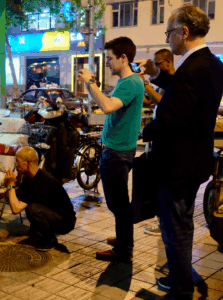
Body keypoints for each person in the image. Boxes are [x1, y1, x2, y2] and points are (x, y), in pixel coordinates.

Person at [138, 5, 223, 300]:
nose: (169, 38)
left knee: (175, 229)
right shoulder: (210, 63)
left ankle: (180, 291)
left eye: (170, 32)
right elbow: (182, 92)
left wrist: (145, 131)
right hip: (195, 161)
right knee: (182, 224)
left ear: (183, 32)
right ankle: (180, 278)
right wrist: (158, 76)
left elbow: (172, 117)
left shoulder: (192, 67)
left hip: (177, 166)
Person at [78, 37, 144, 262]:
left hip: (117, 152)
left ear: (123, 58)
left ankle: (123, 250)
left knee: (118, 203)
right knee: (118, 202)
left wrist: (90, 83)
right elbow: (108, 103)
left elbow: (106, 107)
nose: (107, 62)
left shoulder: (130, 84)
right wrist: (93, 87)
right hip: (118, 150)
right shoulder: (129, 81)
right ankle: (123, 236)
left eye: (110, 58)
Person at [4, 147, 76, 251]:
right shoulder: (31, 177)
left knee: (33, 208)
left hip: (65, 222)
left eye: (18, 162)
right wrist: (8, 186)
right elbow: (18, 195)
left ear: (28, 162)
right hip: (54, 214)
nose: (15, 165)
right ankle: (37, 235)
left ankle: (50, 240)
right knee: (29, 202)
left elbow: (16, 209)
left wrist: (11, 186)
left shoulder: (41, 181)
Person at [141, 48, 176, 237]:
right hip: (158, 137)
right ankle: (163, 223)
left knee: (166, 187)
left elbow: (162, 102)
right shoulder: (165, 82)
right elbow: (150, 102)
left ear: (168, 62)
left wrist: (146, 82)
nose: (155, 67)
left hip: (167, 140)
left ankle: (166, 225)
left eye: (157, 63)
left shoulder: (174, 81)